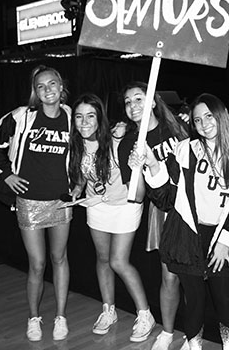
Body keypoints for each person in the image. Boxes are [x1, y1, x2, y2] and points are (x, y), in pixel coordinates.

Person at [129, 93, 229, 350]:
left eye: (209, 116)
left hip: (222, 238)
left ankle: (228, 347)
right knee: (194, 301)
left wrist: (226, 242)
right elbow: (166, 198)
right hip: (187, 235)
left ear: (221, 116)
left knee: (224, 300)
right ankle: (194, 346)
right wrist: (153, 164)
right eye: (198, 119)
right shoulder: (186, 150)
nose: (204, 124)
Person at [0, 65, 73, 342]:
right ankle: (33, 318)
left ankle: (60, 316)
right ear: (35, 92)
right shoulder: (21, 116)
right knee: (37, 263)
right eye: (40, 86)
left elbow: (90, 144)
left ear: (61, 86)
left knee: (60, 259)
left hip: (61, 202)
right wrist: (7, 174)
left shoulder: (71, 116)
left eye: (52, 84)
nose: (47, 90)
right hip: (29, 202)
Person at [67, 92, 156, 343]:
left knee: (118, 261)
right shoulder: (79, 143)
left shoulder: (117, 137)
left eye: (90, 116)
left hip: (125, 204)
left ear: (100, 118)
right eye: (79, 117)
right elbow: (85, 172)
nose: (84, 122)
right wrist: (77, 188)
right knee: (103, 259)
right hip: (96, 205)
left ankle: (145, 314)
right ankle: (109, 310)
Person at [117, 81, 189, 350]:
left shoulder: (179, 128)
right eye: (128, 102)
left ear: (153, 101)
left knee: (193, 277)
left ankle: (193, 334)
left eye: (138, 99)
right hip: (163, 211)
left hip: (193, 207)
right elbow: (135, 194)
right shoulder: (128, 144)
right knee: (169, 276)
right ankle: (168, 332)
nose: (133, 106)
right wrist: (135, 167)